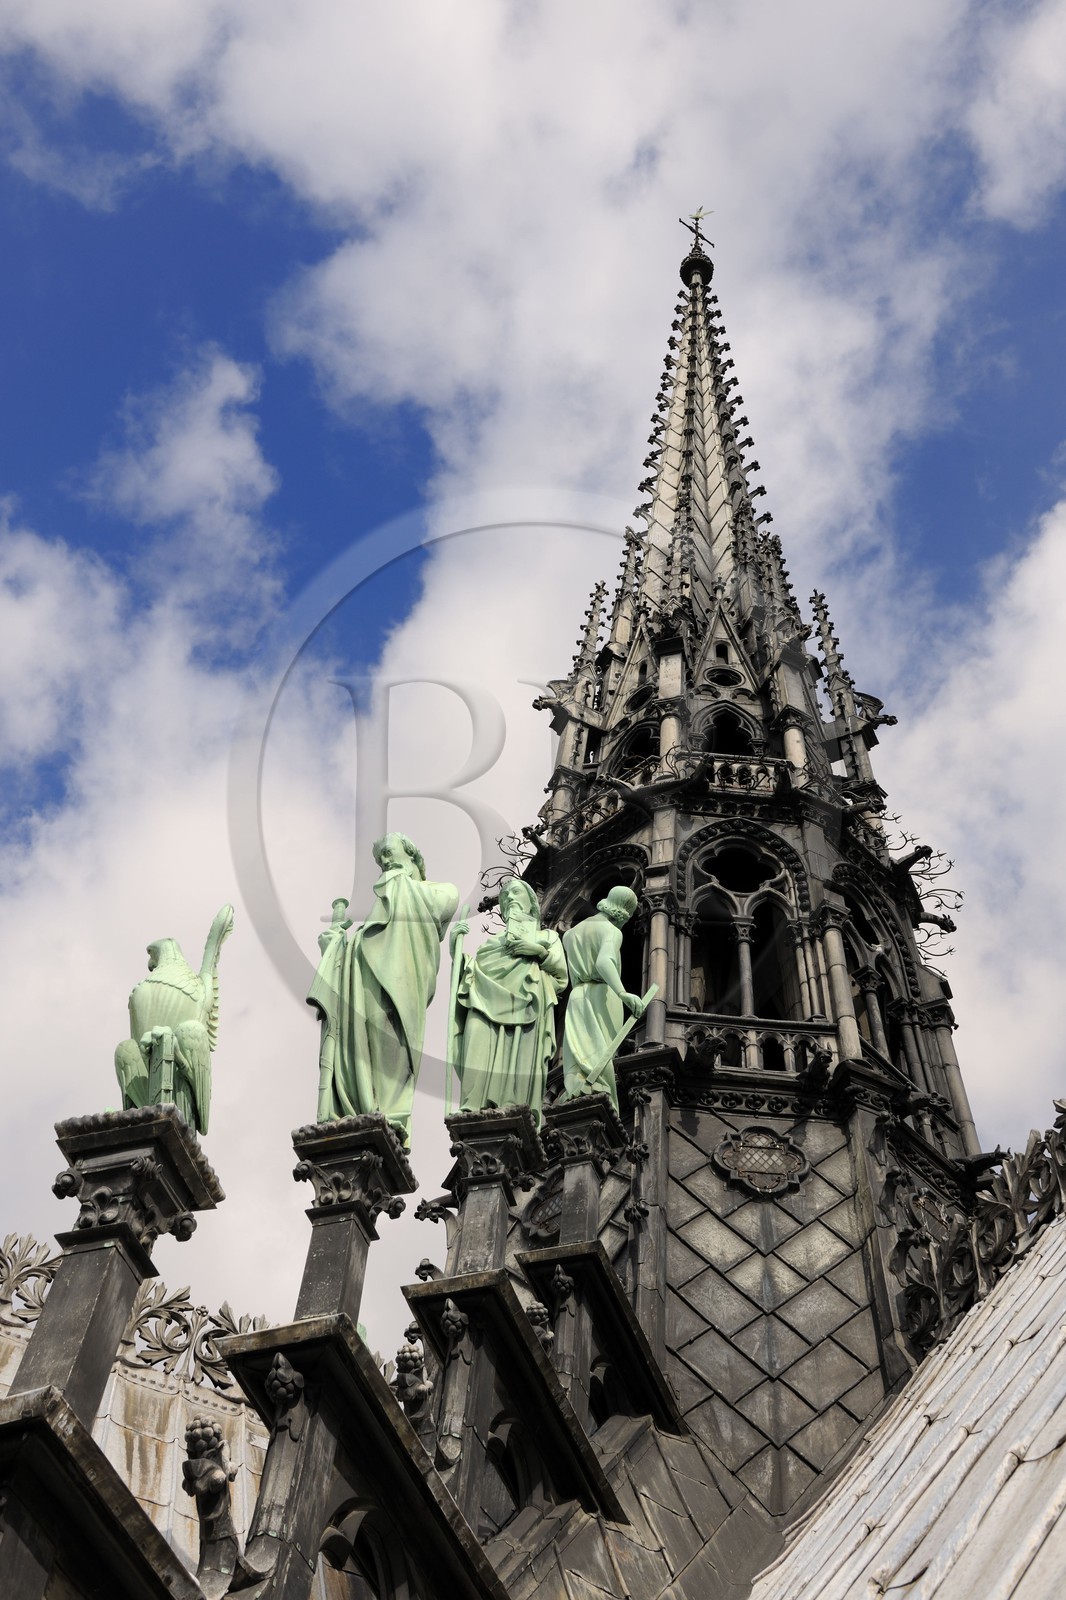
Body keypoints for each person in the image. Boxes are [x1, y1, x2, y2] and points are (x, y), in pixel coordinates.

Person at [308, 833, 458, 1145]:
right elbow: (361, 950)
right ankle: (359, 1105)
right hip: (364, 984)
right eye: (380, 861)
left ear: (412, 855)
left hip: (404, 981)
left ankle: (391, 1115)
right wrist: (336, 946)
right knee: (359, 1046)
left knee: (393, 1043)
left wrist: (398, 881)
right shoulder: (385, 904)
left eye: (389, 853)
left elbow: (436, 909)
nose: (385, 862)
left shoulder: (439, 890)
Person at [450, 878, 567, 1125]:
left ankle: (514, 1105)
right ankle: (474, 1107)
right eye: (504, 898)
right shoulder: (491, 944)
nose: (509, 898)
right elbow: (470, 976)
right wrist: (456, 953)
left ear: (532, 904)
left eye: (515, 893)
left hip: (527, 1004)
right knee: (475, 1051)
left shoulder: (546, 936)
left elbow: (561, 978)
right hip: (482, 1003)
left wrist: (537, 951)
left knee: (519, 1064)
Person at [561, 886, 647, 1112]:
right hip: (602, 994)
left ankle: (576, 1091)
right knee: (600, 1053)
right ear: (624, 913)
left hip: (577, 995)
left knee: (578, 1051)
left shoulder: (570, 935)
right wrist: (623, 993)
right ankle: (600, 1093)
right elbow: (603, 962)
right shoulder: (611, 931)